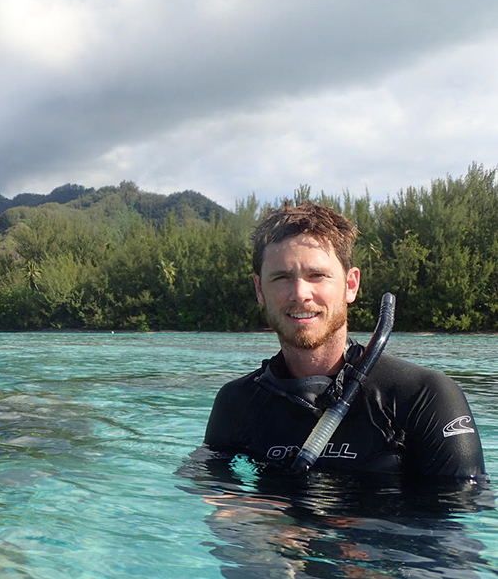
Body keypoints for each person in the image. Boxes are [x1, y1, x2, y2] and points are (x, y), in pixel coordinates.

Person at [204, 201, 487, 480]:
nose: (300, 293)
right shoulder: (237, 402)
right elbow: (206, 484)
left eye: (317, 275)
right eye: (281, 277)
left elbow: (459, 513)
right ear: (259, 289)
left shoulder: (423, 395)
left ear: (350, 285)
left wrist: (342, 525)